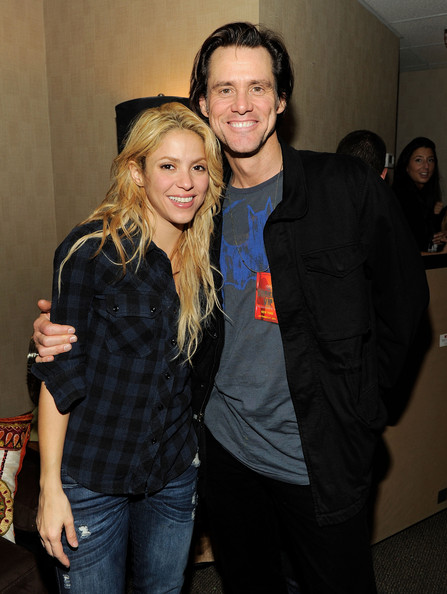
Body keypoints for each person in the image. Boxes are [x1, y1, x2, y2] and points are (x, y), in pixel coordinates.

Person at [33, 22, 429, 594]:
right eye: (224, 89)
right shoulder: (200, 213)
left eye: (258, 87)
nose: (241, 104)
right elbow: (133, 296)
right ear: (203, 103)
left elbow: (406, 301)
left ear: (281, 99)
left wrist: (366, 405)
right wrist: (54, 330)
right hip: (224, 457)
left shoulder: (345, 186)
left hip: (316, 459)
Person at [31, 102, 223, 593]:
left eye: (198, 167)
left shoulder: (207, 256)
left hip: (174, 471)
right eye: (168, 165)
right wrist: (49, 486)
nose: (187, 182)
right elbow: (59, 375)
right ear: (137, 173)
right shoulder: (90, 252)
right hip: (94, 475)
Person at [393, 137, 446, 253]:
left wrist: (439, 236)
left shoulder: (427, 197)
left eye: (430, 160)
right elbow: (405, 251)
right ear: (406, 166)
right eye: (418, 160)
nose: (426, 166)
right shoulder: (401, 198)